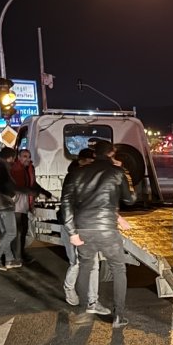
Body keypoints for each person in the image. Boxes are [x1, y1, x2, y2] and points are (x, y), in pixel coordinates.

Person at [61, 140, 136, 328]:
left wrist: (71, 231)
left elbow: (66, 203)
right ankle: (118, 316)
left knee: (85, 267)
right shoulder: (117, 172)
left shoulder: (76, 173)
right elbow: (130, 198)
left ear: (94, 154)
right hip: (107, 229)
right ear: (111, 153)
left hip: (84, 228)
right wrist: (124, 172)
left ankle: (85, 310)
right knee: (118, 268)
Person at [59, 148, 101, 308]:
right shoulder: (73, 177)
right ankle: (69, 289)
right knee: (76, 262)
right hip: (73, 226)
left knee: (94, 264)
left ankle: (93, 300)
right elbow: (67, 205)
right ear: (81, 161)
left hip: (88, 226)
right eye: (89, 162)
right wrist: (71, 231)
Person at [0, 147, 35, 271]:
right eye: (13, 157)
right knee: (11, 233)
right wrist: (14, 195)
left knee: (5, 234)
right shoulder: (3, 167)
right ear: (10, 157)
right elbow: (7, 186)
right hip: (5, 205)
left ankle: (9, 260)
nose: (13, 160)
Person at [10, 148, 52, 264]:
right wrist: (33, 192)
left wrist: (44, 191)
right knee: (18, 231)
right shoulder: (15, 169)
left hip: (25, 203)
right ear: (18, 157)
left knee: (23, 230)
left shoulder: (29, 168)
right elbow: (17, 187)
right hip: (16, 203)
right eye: (24, 156)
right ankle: (16, 257)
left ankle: (20, 254)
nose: (27, 159)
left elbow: (33, 183)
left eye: (28, 157)